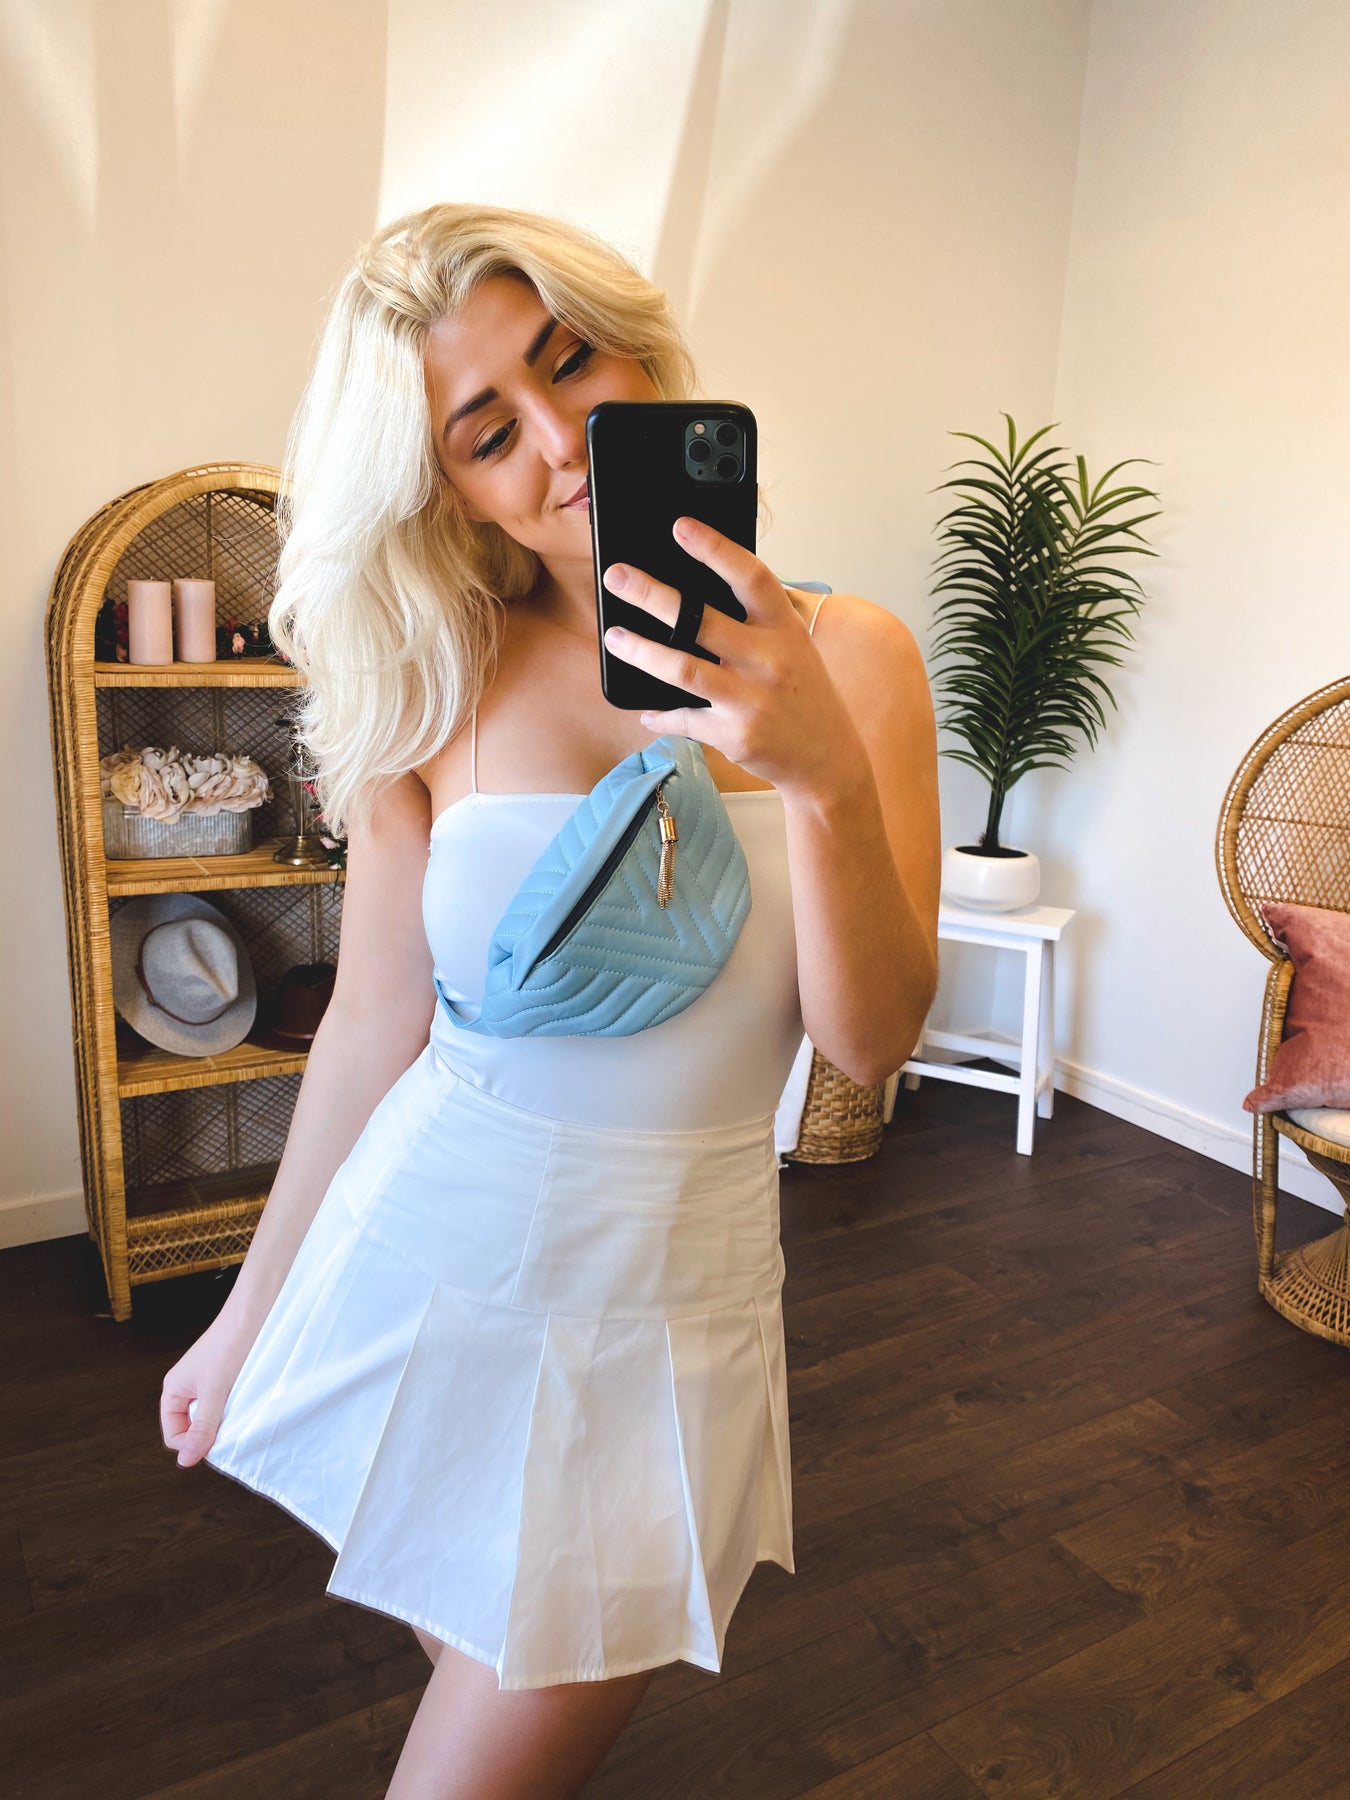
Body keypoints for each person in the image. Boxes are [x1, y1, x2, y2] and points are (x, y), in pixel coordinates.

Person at [159, 202, 940, 1799]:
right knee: (491, 1689)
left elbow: (866, 1045)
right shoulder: (431, 673)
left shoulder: (850, 655)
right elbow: (373, 1023)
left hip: (670, 1307)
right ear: (444, 485)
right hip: (429, 1260)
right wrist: (247, 1310)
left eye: (568, 362)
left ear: (638, 352)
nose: (558, 441)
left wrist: (816, 777)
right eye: (485, 431)